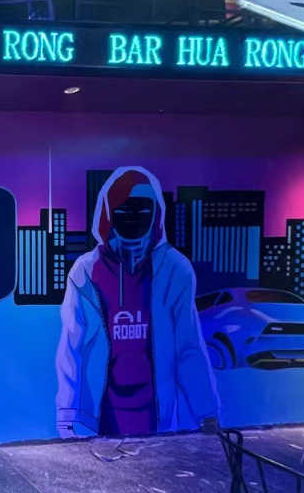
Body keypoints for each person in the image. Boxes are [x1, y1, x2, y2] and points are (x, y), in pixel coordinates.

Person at [55, 166, 219, 438]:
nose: (134, 217)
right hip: (100, 417)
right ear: (109, 212)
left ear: (156, 213)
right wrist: (67, 416)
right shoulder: (85, 272)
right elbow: (72, 348)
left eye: (143, 209)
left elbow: (188, 346)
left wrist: (206, 412)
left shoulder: (174, 269)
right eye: (124, 209)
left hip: (157, 416)